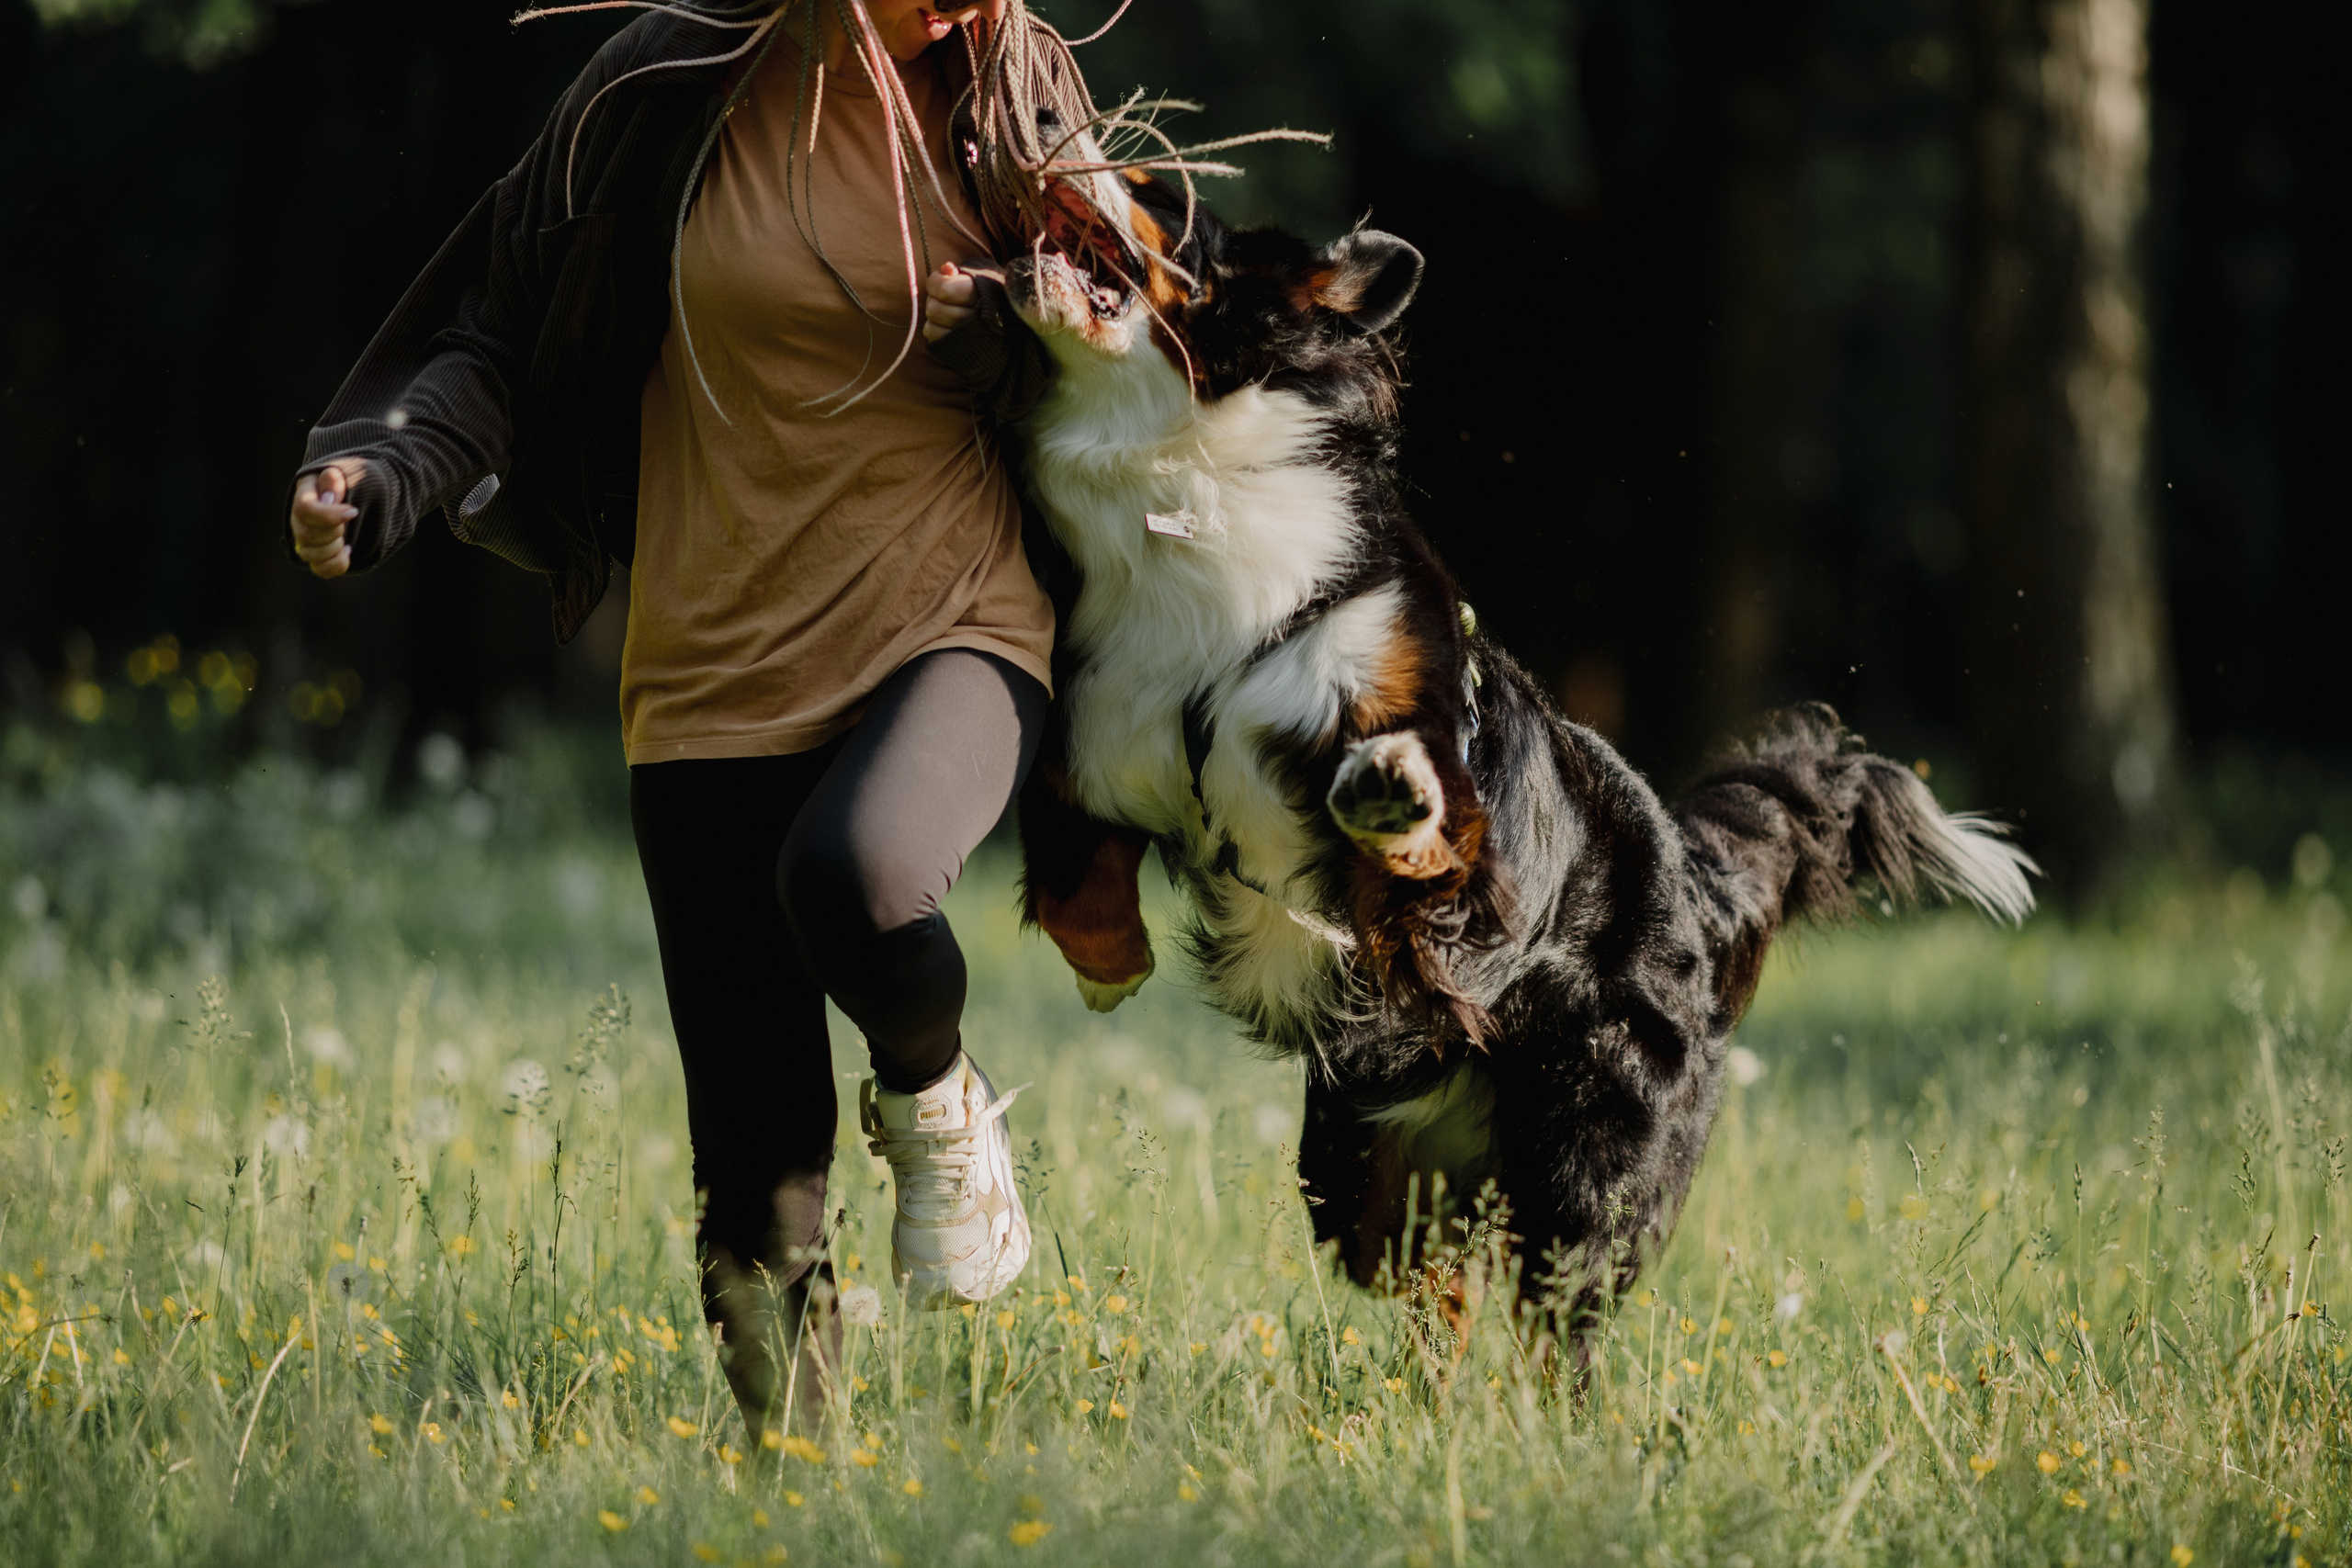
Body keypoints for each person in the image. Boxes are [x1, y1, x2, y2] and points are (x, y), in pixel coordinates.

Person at [286, 0, 1072, 1438]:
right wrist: (378, 474)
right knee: (756, 1182)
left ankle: (939, 1099)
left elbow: (1125, 343)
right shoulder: (665, 81)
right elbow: (496, 325)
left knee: (861, 876)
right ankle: (796, 1492)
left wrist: (1016, 329)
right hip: (711, 666)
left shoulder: (1012, 92)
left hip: (950, 614)